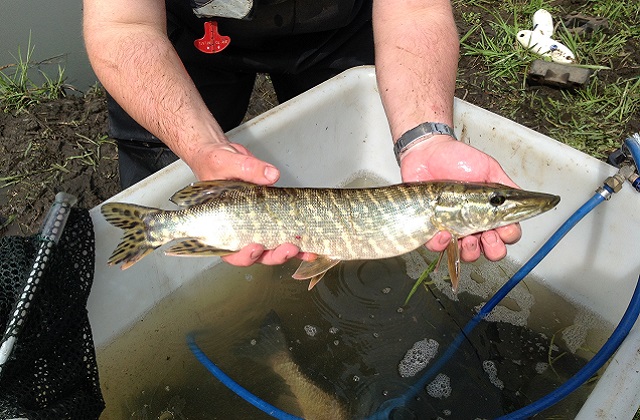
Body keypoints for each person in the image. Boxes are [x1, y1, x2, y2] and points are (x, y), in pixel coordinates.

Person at [82, 0, 522, 269]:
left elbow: (415, 8)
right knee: (164, 177)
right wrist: (203, 148)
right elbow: (123, 25)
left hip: (333, 27)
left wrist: (425, 137)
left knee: (331, 157)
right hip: (180, 34)